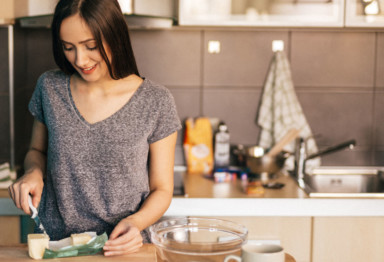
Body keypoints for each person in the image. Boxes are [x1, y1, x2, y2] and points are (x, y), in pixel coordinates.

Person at [8, 0, 181, 257]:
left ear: (115, 36)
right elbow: (36, 150)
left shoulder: (155, 101)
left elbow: (162, 189)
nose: (80, 59)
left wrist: (137, 223)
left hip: (123, 249)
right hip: (57, 246)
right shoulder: (50, 88)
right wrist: (33, 171)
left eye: (91, 46)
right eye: (68, 47)